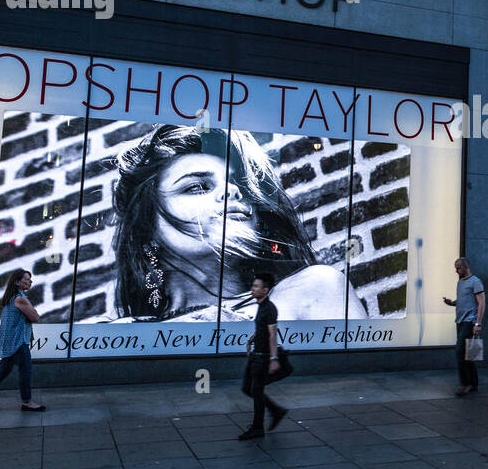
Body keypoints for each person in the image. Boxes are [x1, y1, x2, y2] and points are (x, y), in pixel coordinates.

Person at [101, 125, 364, 323]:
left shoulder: (313, 290)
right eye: (197, 187)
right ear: (147, 228)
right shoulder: (117, 334)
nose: (231, 191)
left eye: (239, 184)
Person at [0, 270, 46, 412]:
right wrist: (33, 312)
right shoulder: (20, 299)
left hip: (9, 340)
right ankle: (27, 402)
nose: (30, 281)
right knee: (25, 370)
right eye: (26, 279)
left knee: (4, 370)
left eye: (30, 279)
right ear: (17, 282)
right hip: (18, 341)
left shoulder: (10, 298)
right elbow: (35, 317)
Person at [238, 273, 286, 439]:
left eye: (257, 286)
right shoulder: (261, 306)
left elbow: (272, 334)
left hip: (263, 357)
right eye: (253, 285)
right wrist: (252, 339)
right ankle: (276, 411)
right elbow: (263, 329)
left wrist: (273, 359)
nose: (253, 288)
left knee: (256, 391)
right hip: (256, 355)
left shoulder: (269, 308)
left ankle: (258, 427)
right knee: (247, 389)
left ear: (265, 290)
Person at [443, 257, 484, 396]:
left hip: (469, 322)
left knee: (460, 352)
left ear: (466, 267)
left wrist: (478, 323)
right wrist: (452, 303)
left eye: (458, 268)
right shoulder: (460, 282)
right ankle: (474, 384)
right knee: (468, 354)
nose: (456, 270)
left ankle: (465, 384)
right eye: (455, 267)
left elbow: (482, 303)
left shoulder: (476, 282)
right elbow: (463, 301)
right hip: (460, 321)